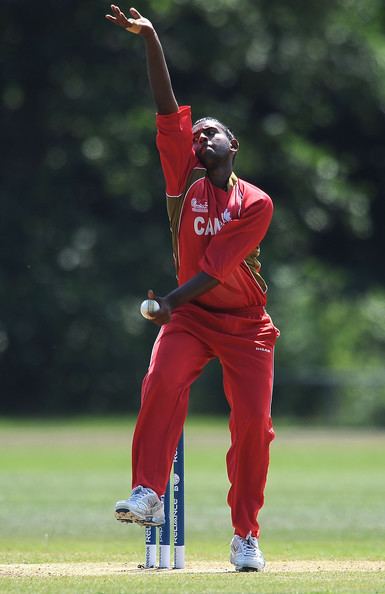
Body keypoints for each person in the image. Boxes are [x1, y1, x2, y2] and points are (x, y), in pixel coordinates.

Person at [106, 4, 280, 572]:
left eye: (213, 132)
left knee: (253, 426)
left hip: (246, 328)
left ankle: (245, 535)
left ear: (234, 147)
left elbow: (213, 267)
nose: (201, 136)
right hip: (190, 320)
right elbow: (165, 106)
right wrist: (150, 39)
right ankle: (147, 492)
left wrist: (165, 303)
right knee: (160, 380)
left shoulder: (255, 203)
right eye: (196, 132)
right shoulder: (182, 180)